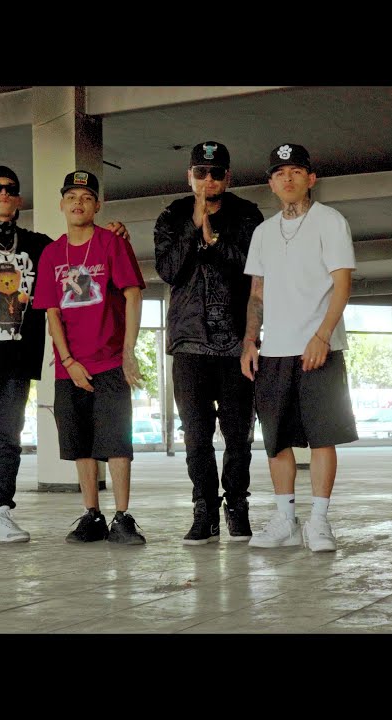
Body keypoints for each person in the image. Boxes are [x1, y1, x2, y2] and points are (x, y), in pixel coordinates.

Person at [0, 164, 127, 544]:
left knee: (9, 437)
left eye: (10, 189)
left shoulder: (39, 246)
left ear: (19, 200)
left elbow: (78, 252)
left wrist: (113, 233)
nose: (3, 193)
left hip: (16, 360)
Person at [240, 144, 358, 553]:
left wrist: (322, 334)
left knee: (323, 437)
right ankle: (285, 521)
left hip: (320, 347)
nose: (287, 178)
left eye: (295, 171)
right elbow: (257, 293)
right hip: (274, 351)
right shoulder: (263, 233)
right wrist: (250, 340)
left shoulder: (330, 221)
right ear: (271, 184)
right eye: (279, 173)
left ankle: (319, 521)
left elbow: (342, 284)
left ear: (310, 178)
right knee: (276, 441)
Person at [154, 141, 263, 545]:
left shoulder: (247, 215)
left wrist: (212, 238)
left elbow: (253, 268)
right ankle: (204, 508)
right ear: (190, 176)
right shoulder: (172, 216)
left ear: (227, 177)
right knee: (196, 436)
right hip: (189, 344)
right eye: (201, 172)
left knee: (239, 434)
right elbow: (170, 270)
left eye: (216, 173)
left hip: (236, 344)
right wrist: (193, 224)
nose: (209, 180)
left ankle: (237, 504)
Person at [32, 170, 149, 545]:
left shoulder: (112, 243)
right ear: (61, 205)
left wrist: (128, 351)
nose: (78, 203)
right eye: (71, 197)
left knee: (117, 443)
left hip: (111, 361)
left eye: (85, 197)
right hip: (71, 367)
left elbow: (133, 294)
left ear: (97, 205)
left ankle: (122, 517)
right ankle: (92, 514)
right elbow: (52, 313)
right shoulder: (52, 254)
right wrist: (68, 362)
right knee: (80, 443)